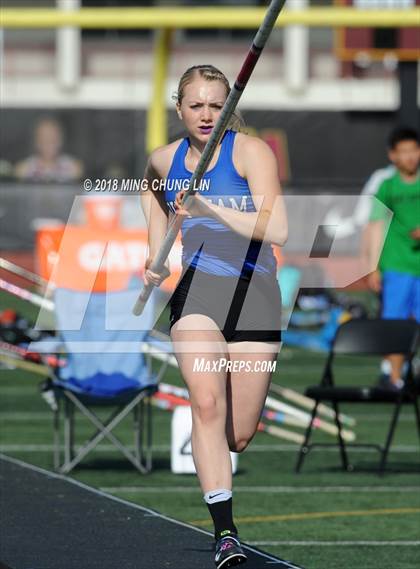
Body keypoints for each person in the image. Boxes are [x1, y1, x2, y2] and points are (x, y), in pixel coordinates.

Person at [140, 64, 287, 568]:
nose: (206, 115)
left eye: (215, 105)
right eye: (195, 105)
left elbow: (279, 228)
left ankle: (220, 454)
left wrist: (209, 206)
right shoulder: (164, 159)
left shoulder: (250, 152)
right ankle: (225, 534)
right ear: (178, 107)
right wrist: (154, 254)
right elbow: (152, 193)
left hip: (255, 293)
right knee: (205, 404)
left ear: (229, 107)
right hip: (199, 291)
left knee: (236, 433)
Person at [366, 127, 420, 389]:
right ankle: (395, 378)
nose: (410, 157)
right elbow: (375, 226)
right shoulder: (387, 187)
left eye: (414, 150)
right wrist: (373, 267)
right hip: (397, 266)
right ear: (393, 155)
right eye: (404, 151)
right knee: (396, 323)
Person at [15, 117, 83, 183]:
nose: (49, 141)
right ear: (36, 141)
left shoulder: (74, 169)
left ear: (61, 140)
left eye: (53, 137)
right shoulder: (23, 170)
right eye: (44, 137)